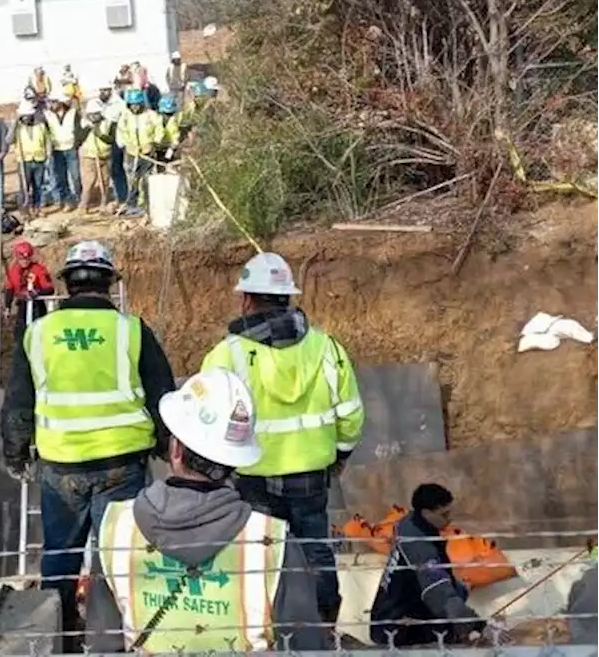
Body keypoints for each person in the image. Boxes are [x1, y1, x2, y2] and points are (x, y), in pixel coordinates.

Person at [0, 239, 178, 646]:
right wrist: (166, 447)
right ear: (109, 282)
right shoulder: (131, 331)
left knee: (60, 558)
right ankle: (110, 644)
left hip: (60, 467)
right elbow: (162, 394)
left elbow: (18, 401)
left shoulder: (38, 333)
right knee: (117, 559)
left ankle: (59, 641)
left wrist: (15, 451)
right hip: (122, 465)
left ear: (67, 284)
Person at [87, 368, 327, 653]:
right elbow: (305, 645)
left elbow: (102, 642)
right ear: (235, 461)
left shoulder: (116, 527)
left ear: (175, 450)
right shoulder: (271, 541)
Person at [200, 251, 365, 626]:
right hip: (311, 473)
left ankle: (267, 628)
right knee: (314, 549)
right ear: (288, 297)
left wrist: (217, 469)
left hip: (252, 475)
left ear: (246, 299)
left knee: (261, 553)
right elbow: (351, 413)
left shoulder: (226, 354)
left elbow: (207, 418)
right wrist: (341, 453)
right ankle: (324, 626)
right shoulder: (326, 347)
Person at [370, 484, 492, 646]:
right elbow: (436, 590)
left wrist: (460, 589)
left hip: (388, 619)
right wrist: (479, 625)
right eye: (444, 514)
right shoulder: (418, 544)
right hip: (398, 628)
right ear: (426, 512)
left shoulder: (410, 525)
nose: (450, 519)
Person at [115, 88, 163, 217]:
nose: (135, 107)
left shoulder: (151, 115)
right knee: (133, 180)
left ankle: (147, 205)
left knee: (147, 180)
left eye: (137, 104)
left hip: (147, 153)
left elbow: (159, 130)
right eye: (132, 105)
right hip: (132, 153)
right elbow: (121, 133)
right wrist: (125, 145)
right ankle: (132, 204)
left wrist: (154, 143)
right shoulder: (125, 117)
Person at [3, 240, 53, 347]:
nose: (25, 261)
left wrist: (37, 292)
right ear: (17, 257)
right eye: (22, 259)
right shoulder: (14, 270)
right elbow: (10, 289)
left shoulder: (39, 269)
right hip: (22, 306)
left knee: (39, 337)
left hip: (37, 307)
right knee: (20, 336)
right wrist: (7, 307)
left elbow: (49, 288)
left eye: (27, 258)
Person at [9, 101, 52, 214]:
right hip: (24, 161)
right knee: (24, 187)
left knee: (38, 185)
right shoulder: (18, 128)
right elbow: (8, 140)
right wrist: (14, 124)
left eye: (27, 116)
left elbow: (47, 141)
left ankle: (36, 208)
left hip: (39, 160)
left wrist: (48, 155)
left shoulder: (41, 126)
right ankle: (24, 209)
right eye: (23, 116)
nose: (25, 118)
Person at [44, 92, 83, 209]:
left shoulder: (73, 113)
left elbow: (79, 129)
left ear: (60, 102)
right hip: (57, 150)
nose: (52, 104)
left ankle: (78, 197)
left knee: (75, 176)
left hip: (71, 148)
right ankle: (67, 200)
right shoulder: (47, 115)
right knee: (61, 177)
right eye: (50, 102)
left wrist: (76, 143)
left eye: (54, 101)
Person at [78, 98, 116, 213]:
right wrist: (87, 130)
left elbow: (112, 140)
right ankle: (84, 206)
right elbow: (78, 139)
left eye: (96, 114)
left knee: (105, 181)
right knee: (89, 181)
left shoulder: (109, 123)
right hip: (89, 156)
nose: (94, 117)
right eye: (91, 115)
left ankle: (103, 204)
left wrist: (100, 135)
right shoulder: (84, 124)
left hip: (105, 155)